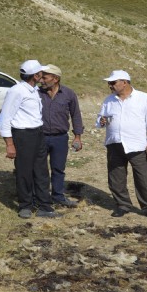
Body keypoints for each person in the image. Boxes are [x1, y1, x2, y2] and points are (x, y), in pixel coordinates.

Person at [0, 60, 62, 219]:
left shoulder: (33, 90)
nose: (42, 76)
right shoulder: (17, 91)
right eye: (41, 73)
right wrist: (10, 144)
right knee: (24, 171)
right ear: (36, 75)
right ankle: (25, 205)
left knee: (41, 171)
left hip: (38, 133)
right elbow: (4, 118)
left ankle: (44, 206)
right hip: (23, 135)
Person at [96, 70, 147, 221]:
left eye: (113, 83)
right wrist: (101, 121)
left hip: (137, 144)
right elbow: (100, 118)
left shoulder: (144, 98)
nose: (110, 86)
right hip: (114, 143)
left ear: (124, 82)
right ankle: (122, 205)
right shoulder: (109, 100)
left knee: (144, 178)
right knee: (116, 176)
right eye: (109, 83)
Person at [39, 64, 84, 207]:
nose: (41, 80)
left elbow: (75, 115)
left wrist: (77, 137)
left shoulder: (69, 94)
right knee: (40, 169)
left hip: (60, 138)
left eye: (44, 78)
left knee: (58, 168)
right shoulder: (36, 93)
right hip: (39, 137)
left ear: (55, 78)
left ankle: (58, 196)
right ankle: (41, 197)